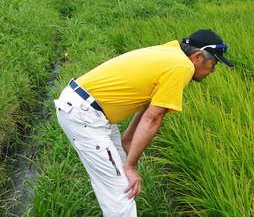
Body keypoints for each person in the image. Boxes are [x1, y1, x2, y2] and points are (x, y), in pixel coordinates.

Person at [54, 29, 233, 217]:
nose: (212, 71)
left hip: (87, 108)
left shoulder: (170, 52)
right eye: (213, 64)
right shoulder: (182, 67)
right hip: (85, 116)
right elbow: (153, 117)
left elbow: (147, 104)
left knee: (123, 178)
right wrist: (131, 166)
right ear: (197, 57)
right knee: (118, 192)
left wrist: (128, 141)